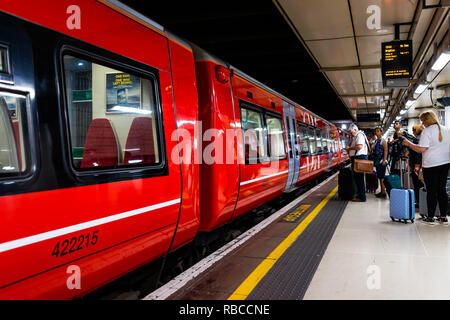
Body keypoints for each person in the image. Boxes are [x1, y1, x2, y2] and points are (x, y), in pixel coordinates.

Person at [402, 111, 450, 225]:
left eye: (423, 121)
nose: (422, 124)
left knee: (431, 191)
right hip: (445, 163)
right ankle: (443, 216)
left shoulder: (427, 131)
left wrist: (409, 144)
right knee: (441, 189)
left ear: (427, 120)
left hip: (431, 165)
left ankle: (430, 216)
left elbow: (421, 149)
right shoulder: (446, 129)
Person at [345, 124, 370, 202]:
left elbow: (359, 146)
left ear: (355, 130)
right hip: (357, 158)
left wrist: (350, 148)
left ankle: (362, 197)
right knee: (358, 178)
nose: (350, 133)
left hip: (359, 158)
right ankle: (360, 195)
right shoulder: (357, 136)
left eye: (351, 132)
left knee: (359, 179)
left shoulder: (359, 136)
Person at [408, 124, 425, 207]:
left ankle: (419, 202)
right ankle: (421, 202)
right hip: (421, 164)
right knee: (421, 184)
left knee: (417, 184)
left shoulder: (417, 139)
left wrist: (417, 165)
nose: (413, 132)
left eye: (414, 130)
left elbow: (417, 152)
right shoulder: (422, 138)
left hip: (416, 164)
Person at [373, 127, 388, 199]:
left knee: (382, 177)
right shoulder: (376, 141)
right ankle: (382, 191)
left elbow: (385, 150)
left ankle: (383, 192)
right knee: (379, 177)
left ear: (381, 132)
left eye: (378, 131)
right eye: (376, 131)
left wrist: (384, 160)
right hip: (377, 161)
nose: (377, 132)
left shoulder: (383, 140)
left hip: (381, 161)